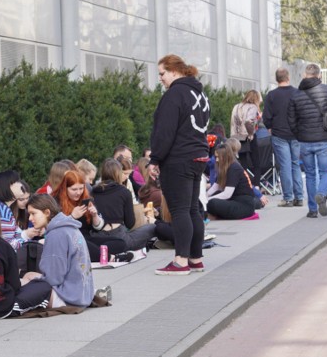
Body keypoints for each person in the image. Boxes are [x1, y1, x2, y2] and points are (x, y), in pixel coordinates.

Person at [147, 54, 210, 276]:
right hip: (198, 157)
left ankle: (180, 261)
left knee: (180, 210)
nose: (161, 79)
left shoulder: (174, 95)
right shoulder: (200, 94)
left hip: (179, 158)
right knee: (193, 209)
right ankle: (195, 258)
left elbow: (165, 131)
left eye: (162, 74)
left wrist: (155, 158)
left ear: (174, 71)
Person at [287, 63, 327, 218]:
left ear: (305, 75)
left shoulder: (296, 95)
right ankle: (322, 194)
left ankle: (312, 210)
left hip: (304, 141)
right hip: (323, 138)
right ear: (319, 75)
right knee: (325, 171)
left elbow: (291, 119)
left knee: (310, 174)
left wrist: (299, 135)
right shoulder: (326, 90)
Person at [23, 194, 94, 308]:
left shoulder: (56, 234)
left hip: (69, 298)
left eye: (33, 213)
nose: (30, 218)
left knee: (25, 281)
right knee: (30, 275)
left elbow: (53, 278)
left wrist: (35, 280)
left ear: (47, 212)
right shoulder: (68, 227)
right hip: (83, 293)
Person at [52, 170, 127, 262]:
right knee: (82, 244)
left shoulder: (85, 199)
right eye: (74, 189)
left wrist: (95, 216)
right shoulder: (56, 202)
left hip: (88, 238)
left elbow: (97, 228)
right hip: (71, 241)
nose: (78, 193)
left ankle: (96, 253)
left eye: (81, 188)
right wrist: (72, 217)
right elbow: (55, 229)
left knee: (120, 242)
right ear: (65, 188)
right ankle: (111, 258)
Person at [90, 158, 155, 254]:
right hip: (119, 236)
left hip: (98, 237)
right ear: (118, 173)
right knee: (151, 227)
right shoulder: (124, 191)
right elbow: (130, 223)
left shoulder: (93, 191)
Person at [263, 68, 303, 207]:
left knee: (285, 166)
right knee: (295, 164)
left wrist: (270, 127)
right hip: (296, 134)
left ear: (276, 79)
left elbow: (266, 117)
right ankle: (299, 197)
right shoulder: (297, 93)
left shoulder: (271, 96)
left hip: (279, 134)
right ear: (288, 77)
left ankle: (288, 198)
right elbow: (302, 113)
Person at [0, 170, 43, 250]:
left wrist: (27, 234)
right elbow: (8, 244)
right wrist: (36, 244)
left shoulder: (2, 207)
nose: (20, 184)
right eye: (16, 182)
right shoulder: (2, 212)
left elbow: (13, 236)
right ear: (7, 187)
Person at [205, 144, 256, 219]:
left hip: (244, 205)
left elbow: (227, 194)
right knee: (213, 197)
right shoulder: (226, 168)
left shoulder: (234, 168)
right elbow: (215, 187)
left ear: (225, 157)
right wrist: (204, 197)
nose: (216, 160)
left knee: (212, 203)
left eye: (219, 157)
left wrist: (207, 200)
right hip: (234, 200)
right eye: (216, 157)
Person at [230, 90, 263, 187]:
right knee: (256, 162)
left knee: (242, 164)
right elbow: (249, 122)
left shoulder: (236, 106)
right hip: (247, 137)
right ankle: (256, 185)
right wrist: (251, 133)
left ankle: (244, 184)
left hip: (236, 137)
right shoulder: (252, 107)